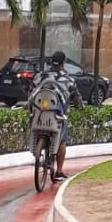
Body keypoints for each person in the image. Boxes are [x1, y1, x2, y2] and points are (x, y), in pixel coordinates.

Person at [28, 51, 82, 181]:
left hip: (38, 115)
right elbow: (77, 98)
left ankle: (40, 150)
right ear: (63, 64)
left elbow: (30, 92)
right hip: (57, 117)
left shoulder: (39, 76)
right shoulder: (68, 79)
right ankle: (59, 171)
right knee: (62, 140)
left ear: (51, 62)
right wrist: (80, 107)